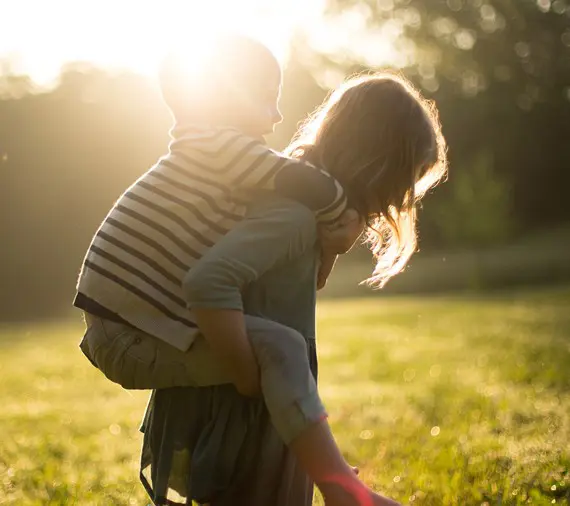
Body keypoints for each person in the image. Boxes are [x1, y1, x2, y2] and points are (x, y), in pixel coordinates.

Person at [139, 72, 448, 506]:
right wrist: (249, 378)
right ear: (374, 162)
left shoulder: (306, 213)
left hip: (270, 404)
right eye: (405, 179)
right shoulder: (293, 217)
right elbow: (211, 283)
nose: (400, 200)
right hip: (241, 406)